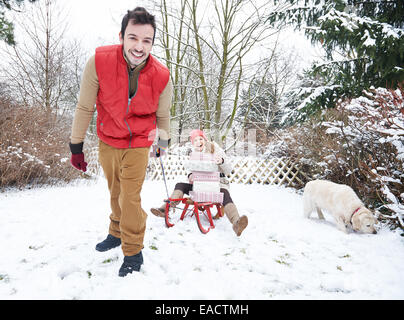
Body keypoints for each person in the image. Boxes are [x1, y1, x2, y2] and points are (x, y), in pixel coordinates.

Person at [69, 7, 172, 277]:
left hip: (138, 142)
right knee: (115, 191)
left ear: (152, 42)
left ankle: (133, 249)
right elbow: (84, 106)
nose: (139, 46)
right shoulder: (99, 62)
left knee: (130, 196)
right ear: (122, 36)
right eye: (133, 38)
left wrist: (162, 143)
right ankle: (116, 232)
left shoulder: (161, 75)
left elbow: (163, 115)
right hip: (108, 140)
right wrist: (76, 146)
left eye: (146, 40)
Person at [151, 130, 248, 236]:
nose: (198, 142)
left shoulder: (214, 149)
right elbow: (190, 168)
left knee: (225, 194)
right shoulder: (194, 153)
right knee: (180, 185)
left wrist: (222, 161)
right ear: (193, 143)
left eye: (200, 139)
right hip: (199, 185)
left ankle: (236, 222)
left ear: (205, 139)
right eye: (195, 140)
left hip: (217, 184)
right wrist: (190, 175)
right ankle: (164, 209)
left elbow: (228, 170)